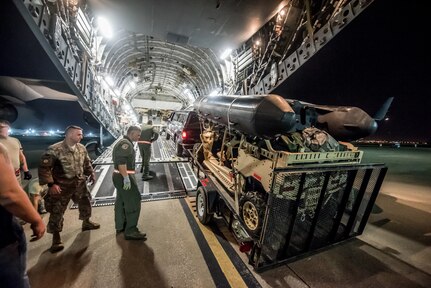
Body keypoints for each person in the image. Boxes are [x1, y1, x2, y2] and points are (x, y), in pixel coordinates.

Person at [38, 125, 100, 253]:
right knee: (57, 211)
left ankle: (86, 222)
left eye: (81, 134)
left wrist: (91, 173)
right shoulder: (55, 149)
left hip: (79, 183)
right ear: (70, 135)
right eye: (79, 134)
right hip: (61, 186)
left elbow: (87, 162)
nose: (81, 137)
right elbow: (44, 169)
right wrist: (51, 185)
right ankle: (56, 238)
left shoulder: (81, 148)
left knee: (85, 202)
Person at [0, 142, 45, 288]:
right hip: (3, 237)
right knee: (13, 281)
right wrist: (35, 219)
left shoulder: (13, 142)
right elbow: (9, 194)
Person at [112, 125, 147, 240]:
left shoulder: (124, 142)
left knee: (121, 200)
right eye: (137, 135)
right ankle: (131, 230)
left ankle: (120, 226)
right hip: (123, 176)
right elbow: (121, 162)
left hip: (120, 175)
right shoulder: (125, 145)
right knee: (134, 201)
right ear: (131, 133)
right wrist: (126, 178)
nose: (139, 137)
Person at [0, 120, 32, 186]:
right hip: (2, 177)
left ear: (8, 128)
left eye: (1, 127)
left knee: (17, 194)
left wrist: (26, 170)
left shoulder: (15, 140)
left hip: (16, 176)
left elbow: (21, 156)